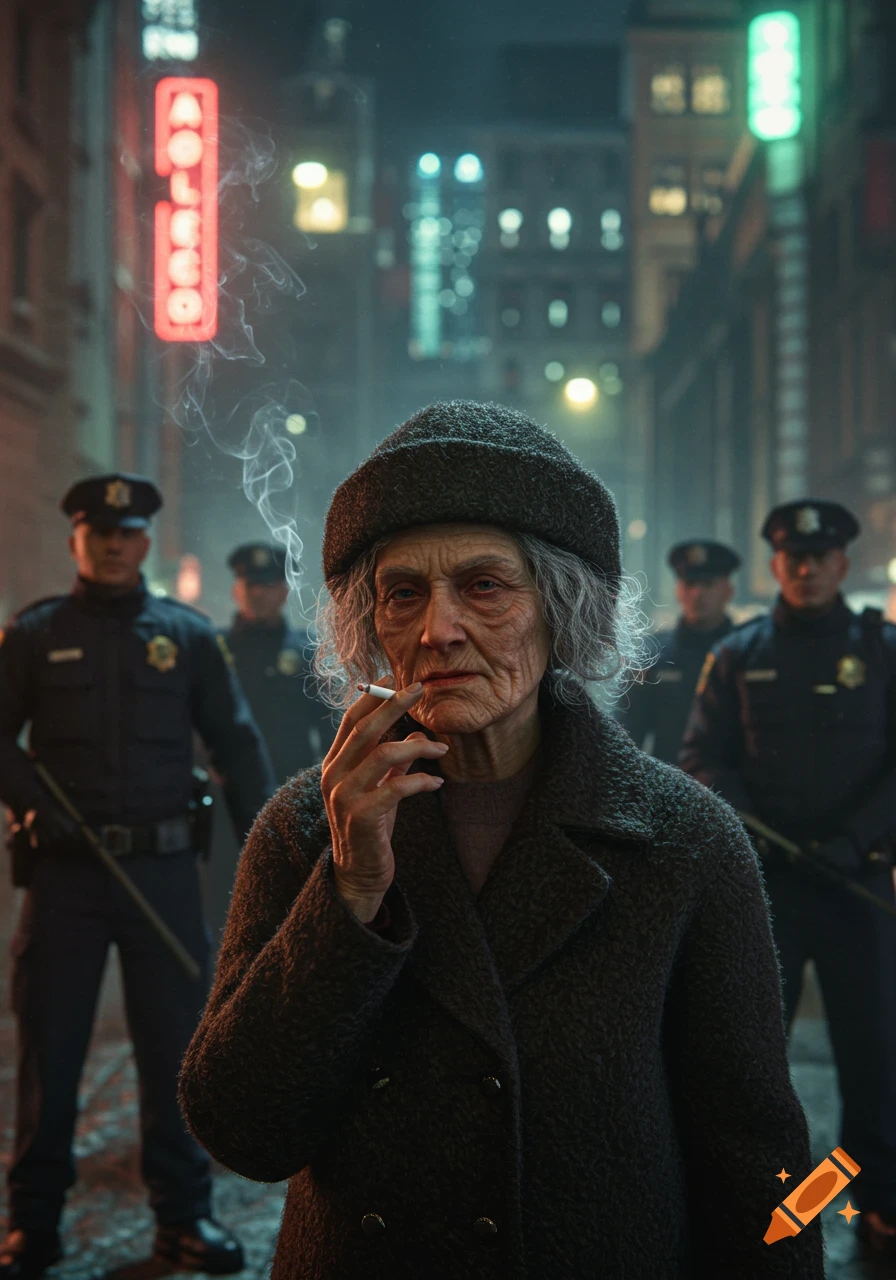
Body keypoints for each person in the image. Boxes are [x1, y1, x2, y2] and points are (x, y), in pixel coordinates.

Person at [178, 402, 823, 1279]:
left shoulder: (684, 841)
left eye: (484, 586)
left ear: (561, 608)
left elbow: (769, 1160)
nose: (437, 629)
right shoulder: (306, 829)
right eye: (403, 593)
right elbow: (239, 1129)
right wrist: (348, 899)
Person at [0, 475, 277, 1280]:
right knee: (51, 1054)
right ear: (75, 539)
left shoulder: (186, 637)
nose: (116, 545)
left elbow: (237, 744)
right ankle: (34, 1227)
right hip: (65, 879)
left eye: (129, 533)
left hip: (161, 871)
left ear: (146, 542)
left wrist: (268, 842)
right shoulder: (34, 634)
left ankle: (185, 1217)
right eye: (100, 531)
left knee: (175, 1051)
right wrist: (30, 804)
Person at [680, 498, 896, 1263]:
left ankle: (878, 1205)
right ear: (776, 564)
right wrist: (750, 830)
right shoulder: (739, 654)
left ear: (842, 563)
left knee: (874, 1059)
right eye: (793, 559)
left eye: (821, 558)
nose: (806, 570)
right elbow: (702, 756)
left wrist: (856, 839)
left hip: (858, 888)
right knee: (752, 1060)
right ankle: (768, 1207)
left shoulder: (883, 648)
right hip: (767, 892)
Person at [620, 539, 740, 762]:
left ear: (728, 591)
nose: (697, 593)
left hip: (734, 785)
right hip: (669, 781)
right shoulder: (652, 653)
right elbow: (628, 732)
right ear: (678, 590)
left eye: (707, 584)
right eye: (689, 583)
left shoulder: (746, 652)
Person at [224, 543, 334, 783]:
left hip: (291, 781)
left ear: (285, 592)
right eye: (251, 584)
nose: (258, 593)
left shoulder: (308, 651)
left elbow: (329, 726)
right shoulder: (215, 648)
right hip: (227, 784)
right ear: (236, 590)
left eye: (268, 584)